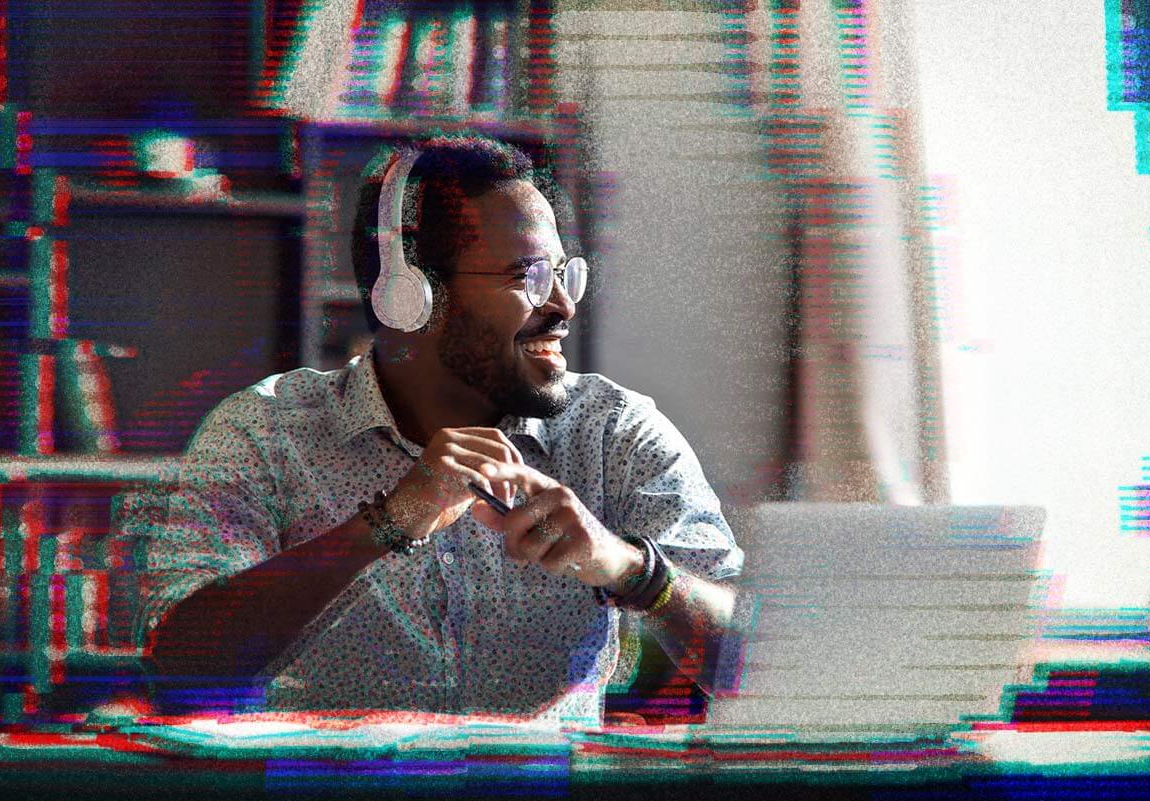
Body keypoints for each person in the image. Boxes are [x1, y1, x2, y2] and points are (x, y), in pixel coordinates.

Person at [131, 135, 743, 725]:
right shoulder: (266, 432)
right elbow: (179, 676)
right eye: (528, 276)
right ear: (411, 296)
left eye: (565, 274)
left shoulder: (615, 432)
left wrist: (631, 569)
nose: (562, 305)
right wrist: (385, 524)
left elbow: (760, 664)